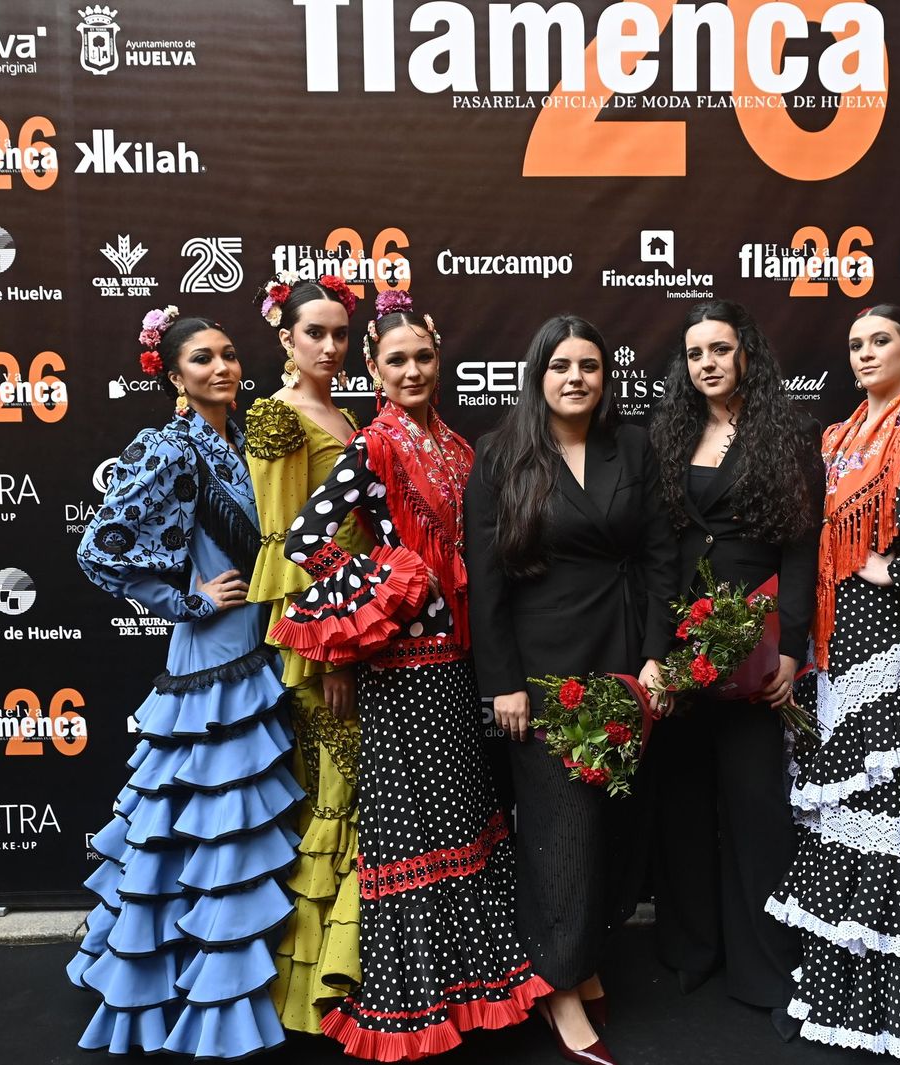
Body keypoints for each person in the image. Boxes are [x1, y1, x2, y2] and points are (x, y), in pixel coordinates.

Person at [270, 289, 549, 1059]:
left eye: (423, 356)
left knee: (465, 824)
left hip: (460, 665)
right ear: (374, 368)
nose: (413, 369)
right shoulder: (374, 447)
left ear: (438, 357)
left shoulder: (461, 447)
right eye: (396, 360)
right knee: (406, 835)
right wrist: (376, 596)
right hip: (399, 670)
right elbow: (304, 538)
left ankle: (474, 991)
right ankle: (414, 1004)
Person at [68, 308, 300, 1059]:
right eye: (202, 358)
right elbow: (99, 550)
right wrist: (187, 599)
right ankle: (183, 998)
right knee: (203, 820)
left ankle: (240, 985)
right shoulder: (168, 447)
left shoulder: (251, 438)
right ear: (173, 374)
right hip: (212, 658)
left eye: (230, 354)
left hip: (266, 650)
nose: (222, 367)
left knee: (233, 822)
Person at [766, 304, 900, 1055]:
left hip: (884, 644)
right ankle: (837, 991)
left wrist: (895, 565)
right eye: (855, 343)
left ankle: (885, 1004)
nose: (864, 354)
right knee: (838, 816)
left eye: (879, 342)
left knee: (875, 814)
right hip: (835, 644)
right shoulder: (838, 436)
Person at [465, 314, 680, 1065]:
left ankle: (582, 955)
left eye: (589, 365)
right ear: (538, 373)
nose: (576, 378)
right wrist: (503, 685)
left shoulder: (635, 446)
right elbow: (484, 585)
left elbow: (661, 559)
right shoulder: (501, 455)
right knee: (564, 831)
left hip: (622, 656)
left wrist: (657, 656)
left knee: (615, 824)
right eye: (561, 365)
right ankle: (556, 987)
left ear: (605, 377)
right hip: (542, 670)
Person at [645, 298, 824, 1036]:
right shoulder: (668, 435)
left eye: (719, 348)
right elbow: (659, 553)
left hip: (756, 644)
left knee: (758, 812)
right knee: (684, 805)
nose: (707, 363)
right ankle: (693, 951)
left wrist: (789, 646)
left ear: (745, 351)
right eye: (695, 354)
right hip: (685, 646)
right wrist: (656, 651)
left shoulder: (789, 434)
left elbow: (801, 550)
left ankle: (768, 970)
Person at [243, 275, 371, 1033]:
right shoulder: (276, 418)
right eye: (313, 333)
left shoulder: (345, 412)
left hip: (361, 632)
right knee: (332, 797)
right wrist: (325, 657)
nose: (329, 346)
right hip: (320, 649)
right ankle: (313, 995)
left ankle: (344, 979)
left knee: (353, 799)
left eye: (340, 334)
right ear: (285, 339)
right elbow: (286, 548)